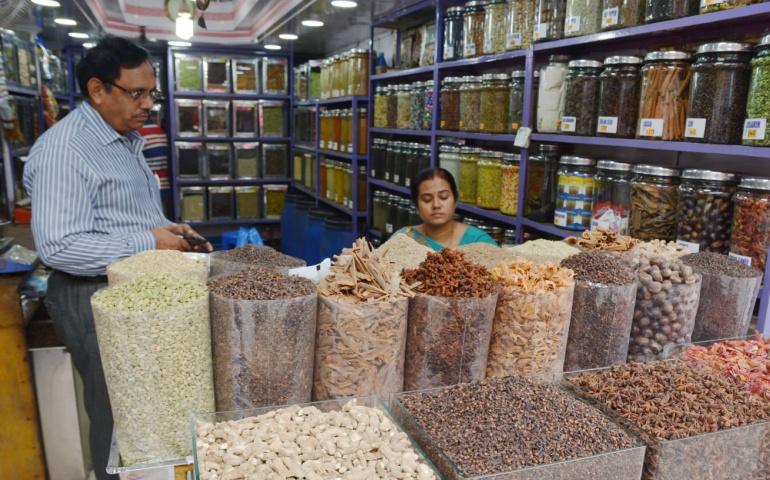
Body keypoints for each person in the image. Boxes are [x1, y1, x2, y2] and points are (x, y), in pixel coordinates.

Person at [23, 37, 210, 480]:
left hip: (131, 291)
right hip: (93, 297)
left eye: (152, 93)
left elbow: (126, 218)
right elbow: (61, 246)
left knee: (152, 406)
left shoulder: (123, 139)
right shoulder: (64, 151)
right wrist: (150, 242)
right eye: (136, 93)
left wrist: (169, 229)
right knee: (118, 413)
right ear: (97, 89)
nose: (148, 104)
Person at [397, 168, 497, 250]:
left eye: (444, 197)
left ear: (455, 201)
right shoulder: (404, 239)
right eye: (427, 199)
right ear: (416, 206)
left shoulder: (478, 241)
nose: (436, 205)